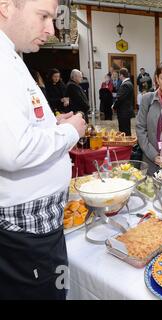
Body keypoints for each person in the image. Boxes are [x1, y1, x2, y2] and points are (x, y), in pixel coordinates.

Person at [0, 0, 86, 300]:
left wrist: (52, 126)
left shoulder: (11, 57)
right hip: (25, 231)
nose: (51, 29)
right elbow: (15, 151)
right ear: (6, 6)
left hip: (37, 224)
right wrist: (69, 132)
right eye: (44, 16)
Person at [113, 67, 134, 136]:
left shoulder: (125, 84)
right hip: (125, 111)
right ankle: (127, 144)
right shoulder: (129, 83)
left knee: (124, 130)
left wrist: (114, 106)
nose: (119, 76)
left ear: (121, 75)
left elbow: (120, 98)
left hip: (124, 111)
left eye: (119, 75)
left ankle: (126, 145)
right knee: (125, 129)